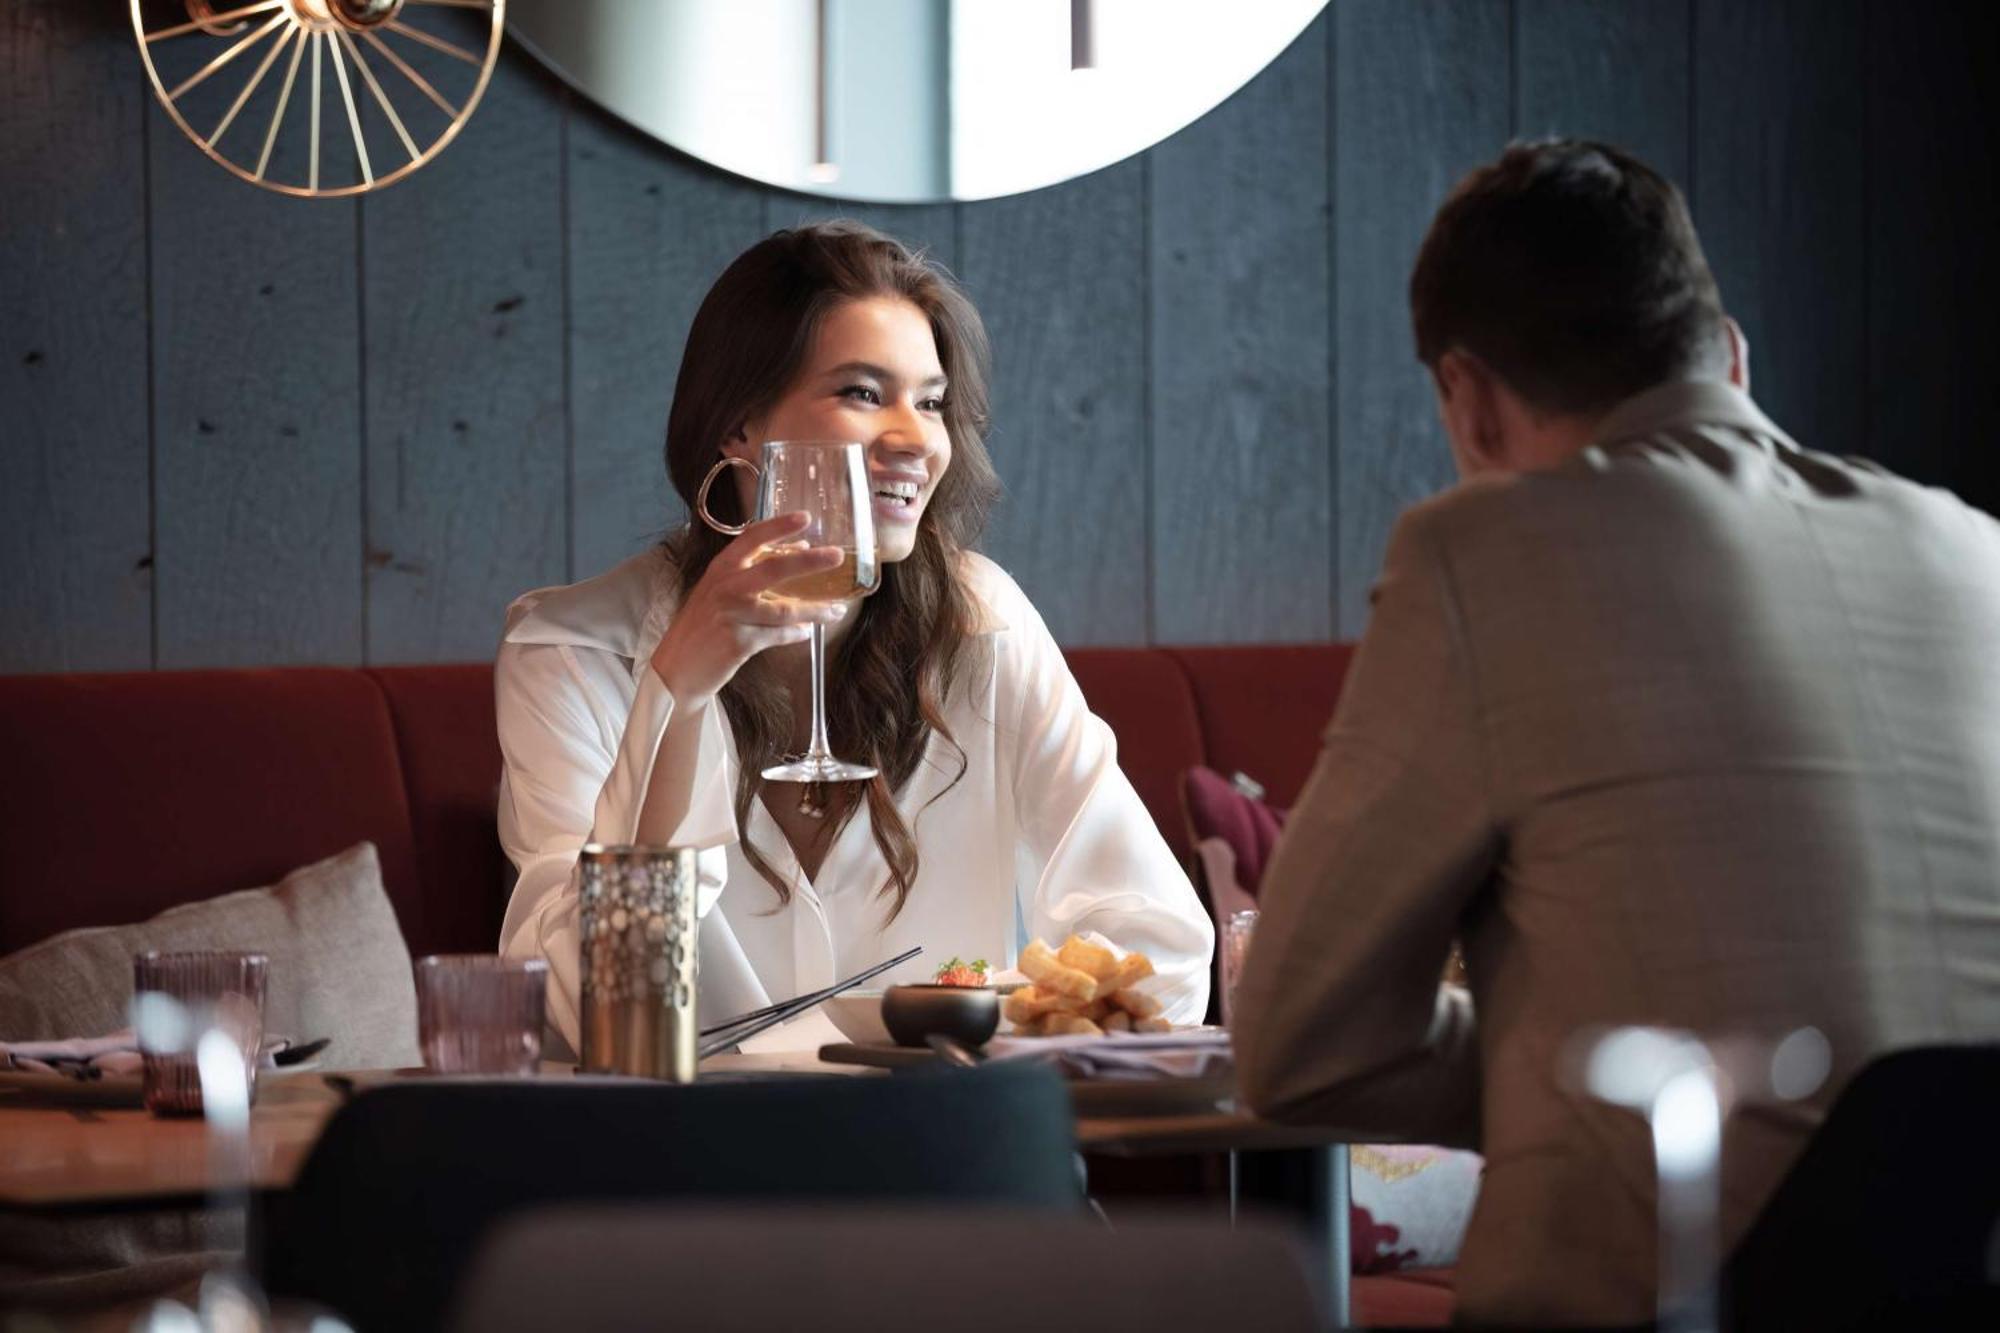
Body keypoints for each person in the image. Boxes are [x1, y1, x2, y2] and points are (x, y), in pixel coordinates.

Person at [1233, 139, 2000, 1326]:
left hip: (1676, 1291)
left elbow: (1298, 1042)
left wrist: (1567, 1059)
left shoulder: (1483, 551)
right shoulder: (1970, 547)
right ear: (1731, 354)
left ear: (1467, 399)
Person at [495, 221, 1211, 1054]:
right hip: (697, 1165)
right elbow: (600, 1019)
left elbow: (1162, 946)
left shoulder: (983, 625)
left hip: (948, 1150)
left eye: (932, 401)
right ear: (738, 426)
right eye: (864, 393)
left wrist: (985, 1019)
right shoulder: (572, 653)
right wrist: (675, 694)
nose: (916, 440)